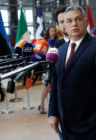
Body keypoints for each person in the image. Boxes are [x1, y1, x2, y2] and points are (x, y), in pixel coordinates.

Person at [48, 5, 96, 140]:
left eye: (78, 19)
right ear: (63, 26)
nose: (74, 24)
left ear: (86, 22)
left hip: (90, 126)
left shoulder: (94, 47)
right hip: (66, 125)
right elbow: (55, 84)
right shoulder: (60, 51)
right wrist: (52, 113)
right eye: (68, 21)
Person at [38, 27, 58, 114]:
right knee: (47, 88)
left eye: (54, 31)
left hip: (56, 66)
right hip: (48, 68)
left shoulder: (58, 42)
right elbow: (43, 55)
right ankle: (41, 106)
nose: (54, 32)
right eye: (52, 31)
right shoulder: (45, 43)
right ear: (48, 33)